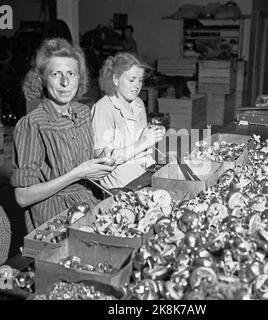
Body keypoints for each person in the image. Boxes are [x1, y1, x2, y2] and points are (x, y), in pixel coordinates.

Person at [11, 38, 115, 232]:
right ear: (42, 79)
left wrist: (101, 160)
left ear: (79, 78)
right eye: (56, 74)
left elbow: (81, 161)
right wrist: (78, 173)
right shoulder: (32, 124)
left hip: (89, 206)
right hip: (55, 219)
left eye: (71, 73)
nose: (65, 82)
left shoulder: (83, 112)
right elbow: (22, 196)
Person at [91, 52, 166, 189]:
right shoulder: (103, 108)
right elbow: (102, 161)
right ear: (115, 79)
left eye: (140, 80)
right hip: (121, 187)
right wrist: (144, 142)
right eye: (132, 80)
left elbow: (138, 142)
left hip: (144, 173)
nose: (137, 85)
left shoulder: (138, 103)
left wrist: (152, 132)